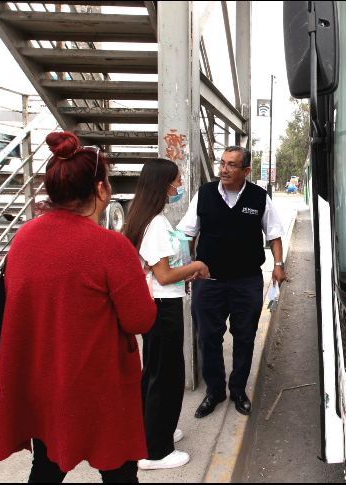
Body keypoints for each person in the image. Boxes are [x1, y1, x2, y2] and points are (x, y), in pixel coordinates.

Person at [0, 131, 157, 483]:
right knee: (119, 471)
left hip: (44, 379)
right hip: (98, 384)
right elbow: (140, 319)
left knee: (46, 467)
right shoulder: (111, 247)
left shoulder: (23, 239)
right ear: (100, 190)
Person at [178, 146, 285, 418]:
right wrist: (187, 266)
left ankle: (238, 390)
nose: (223, 170)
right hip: (208, 282)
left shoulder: (259, 197)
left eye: (231, 165)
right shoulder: (204, 194)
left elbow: (273, 235)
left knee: (245, 337)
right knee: (208, 337)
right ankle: (215, 391)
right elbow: (188, 233)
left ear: (246, 171)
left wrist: (278, 265)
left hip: (246, 282)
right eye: (222, 163)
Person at [122, 158, 210, 470]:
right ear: (163, 185)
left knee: (156, 373)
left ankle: (154, 430)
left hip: (157, 305)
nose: (179, 186)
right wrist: (196, 267)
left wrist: (181, 270)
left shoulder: (148, 218)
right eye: (176, 181)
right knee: (167, 377)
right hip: (162, 308)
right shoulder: (155, 224)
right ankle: (156, 451)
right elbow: (163, 275)